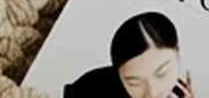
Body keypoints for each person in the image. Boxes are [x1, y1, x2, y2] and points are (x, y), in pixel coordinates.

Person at [63, 13, 191, 98]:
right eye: (134, 83)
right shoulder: (89, 91)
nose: (152, 94)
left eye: (162, 74)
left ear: (177, 53)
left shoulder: (178, 91)